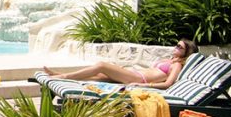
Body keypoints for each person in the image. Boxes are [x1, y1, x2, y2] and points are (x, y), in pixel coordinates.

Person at [43, 39, 198, 90]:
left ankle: (63, 76)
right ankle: (64, 77)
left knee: (102, 65)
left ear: (186, 52)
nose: (175, 47)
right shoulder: (170, 61)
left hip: (139, 79)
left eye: (179, 47)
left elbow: (168, 84)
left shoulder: (176, 66)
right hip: (135, 74)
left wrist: (144, 85)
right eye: (176, 44)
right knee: (100, 75)